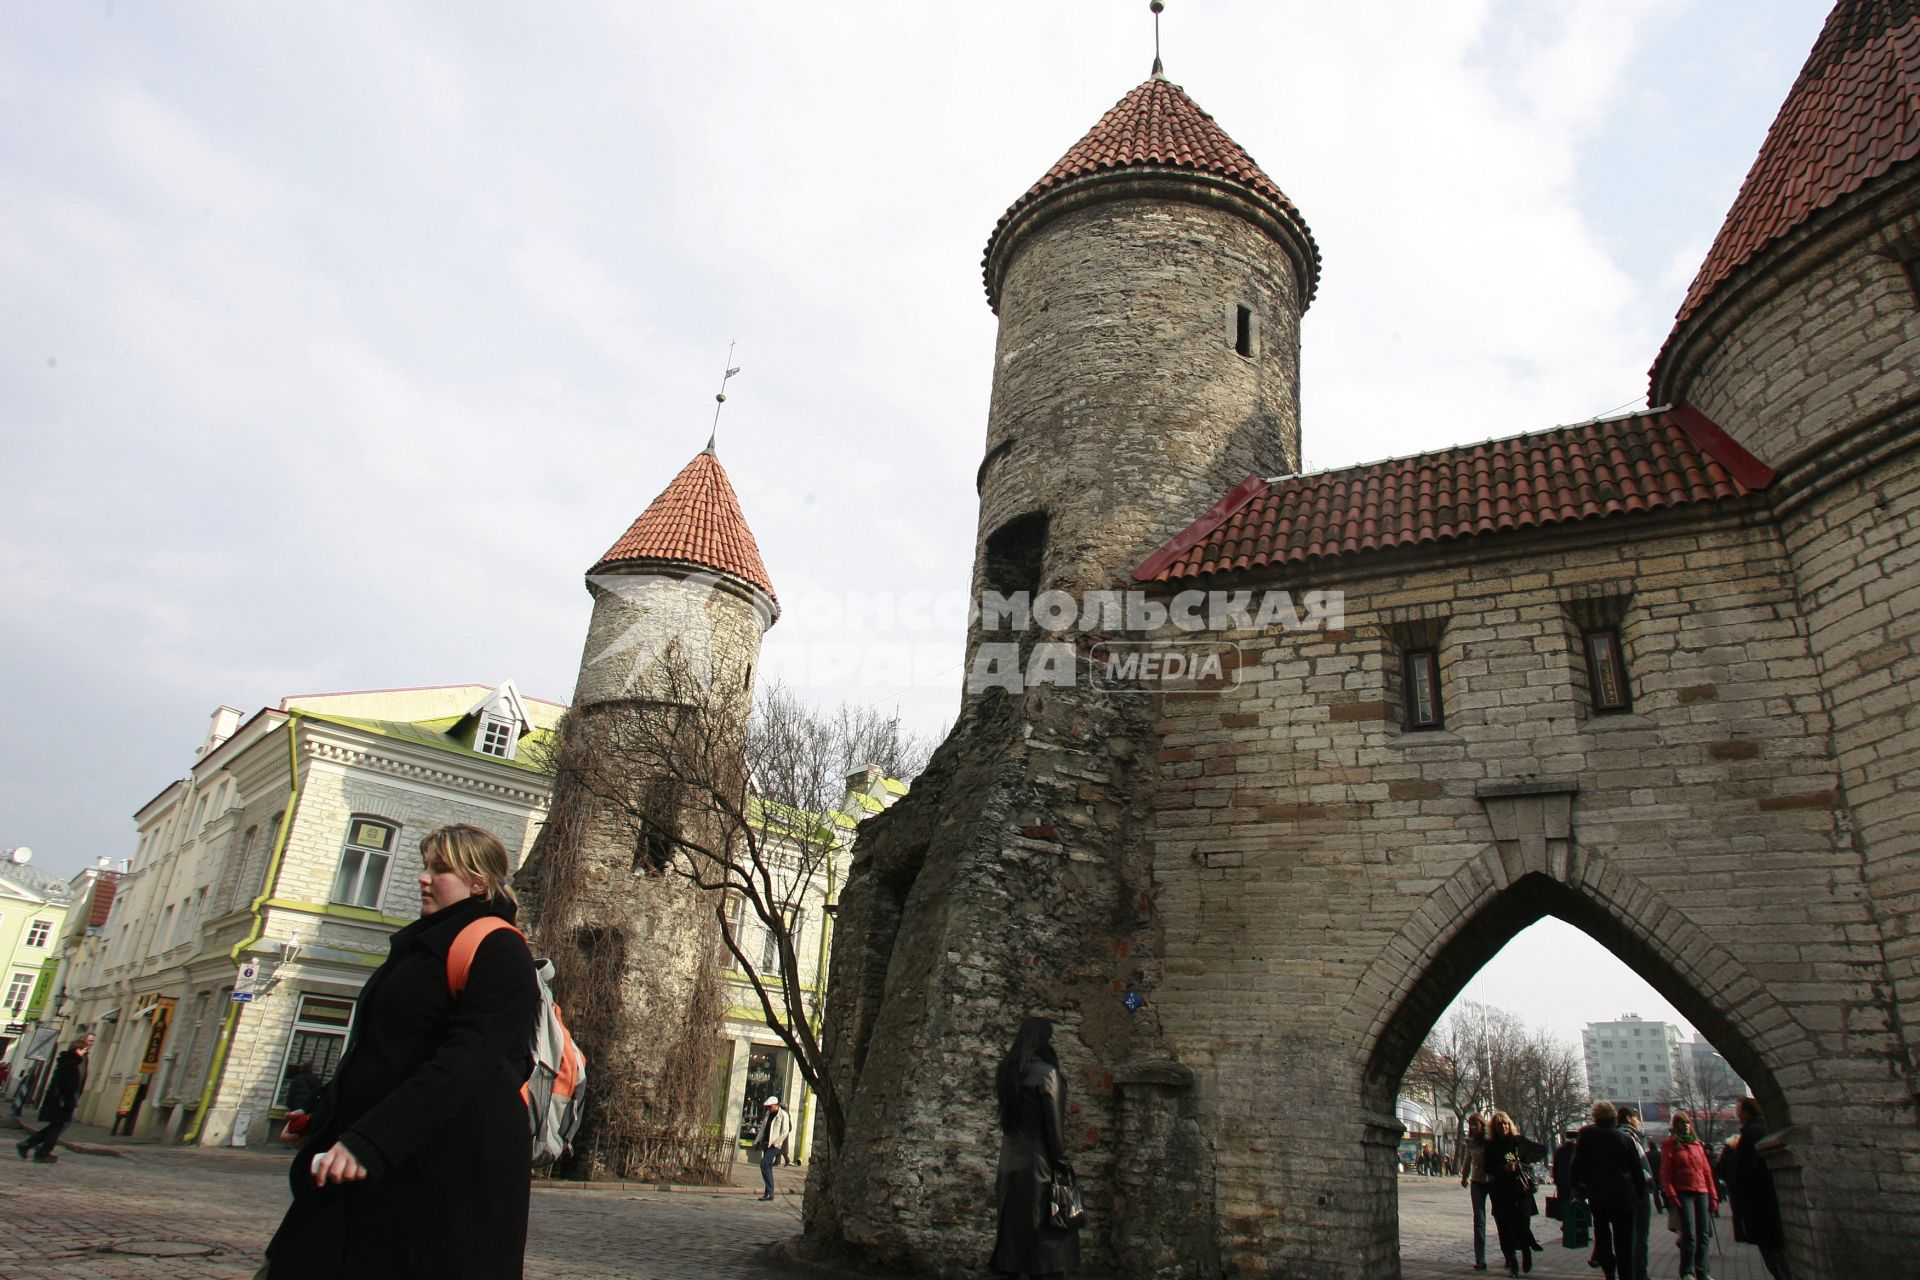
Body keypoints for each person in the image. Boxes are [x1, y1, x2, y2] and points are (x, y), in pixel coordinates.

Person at [261, 824, 539, 1280]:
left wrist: (371, 1140)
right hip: (379, 1157)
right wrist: (323, 1117)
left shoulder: (497, 947)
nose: (423, 878)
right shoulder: (421, 945)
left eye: (441, 869)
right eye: (425, 866)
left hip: (446, 1172)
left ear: (479, 883)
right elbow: (385, 1054)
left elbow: (466, 1061)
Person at [989, 1015, 1078, 1279]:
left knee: (1014, 1248)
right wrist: (1062, 1166)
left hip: (1009, 1165)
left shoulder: (1007, 1071)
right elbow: (1054, 1130)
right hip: (1039, 1167)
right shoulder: (1048, 1074)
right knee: (1048, 1253)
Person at [1570, 1100, 1648, 1280]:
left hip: (1599, 1195)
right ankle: (1625, 1274)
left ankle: (1609, 1270)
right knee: (1624, 1241)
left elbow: (1577, 1163)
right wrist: (1640, 1195)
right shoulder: (1625, 1138)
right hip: (1624, 1196)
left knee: (1603, 1237)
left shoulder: (1587, 1134)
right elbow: (1636, 1170)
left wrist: (1576, 1186)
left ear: (1595, 1116)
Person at [1729, 1097, 1788, 1280]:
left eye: (1739, 1110)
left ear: (1747, 1112)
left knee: (1771, 1252)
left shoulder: (1750, 1134)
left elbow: (1744, 1171)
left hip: (1759, 1203)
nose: (1737, 1114)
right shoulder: (1765, 1128)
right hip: (1772, 1200)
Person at [15, 1031, 93, 1163]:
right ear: (77, 1050)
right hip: (61, 1101)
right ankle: (41, 1153)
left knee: (55, 1127)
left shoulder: (70, 1061)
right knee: (56, 1128)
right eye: (84, 1049)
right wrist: (70, 1101)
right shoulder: (71, 1064)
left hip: (60, 1100)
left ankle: (29, 1145)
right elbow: (68, 1085)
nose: (86, 1051)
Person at [1660, 1109, 1719, 1280]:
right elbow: (1666, 1173)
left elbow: (1707, 1171)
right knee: (1690, 1234)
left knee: (1703, 1234)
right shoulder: (1671, 1144)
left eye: (1687, 1123)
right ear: (1676, 1126)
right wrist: (1671, 1194)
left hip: (1701, 1191)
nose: (1685, 1126)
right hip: (1683, 1192)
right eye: (1681, 1123)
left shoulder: (1697, 1145)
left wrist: (1713, 1195)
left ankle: (1703, 1270)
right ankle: (1687, 1271)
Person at [1484, 1111, 1545, 1278]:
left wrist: (1524, 1161)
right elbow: (1488, 1168)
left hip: (1521, 1189)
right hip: (1502, 1191)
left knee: (1523, 1225)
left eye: (1505, 1123)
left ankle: (1526, 1250)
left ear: (1509, 1125)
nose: (1503, 1126)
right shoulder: (1491, 1145)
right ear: (1494, 1128)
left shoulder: (1519, 1141)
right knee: (1505, 1228)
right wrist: (1504, 1168)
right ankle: (1512, 1261)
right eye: (1499, 1124)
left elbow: (1541, 1150)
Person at [1618, 1106, 1655, 1280]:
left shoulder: (1615, 1135)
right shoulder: (1630, 1137)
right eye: (1637, 1118)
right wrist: (1648, 1183)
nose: (1639, 1122)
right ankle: (1640, 1273)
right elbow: (1640, 1165)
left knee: (1627, 1234)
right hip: (1637, 1189)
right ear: (1628, 1118)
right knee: (1640, 1234)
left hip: (1622, 1191)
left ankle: (1629, 1271)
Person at [1460, 1113, 1493, 1271]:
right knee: (1479, 1221)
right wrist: (1464, 1176)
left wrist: (1511, 1166)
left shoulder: (1492, 1139)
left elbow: (1507, 1153)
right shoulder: (1471, 1142)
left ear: (1482, 1124)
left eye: (1476, 1124)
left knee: (1502, 1218)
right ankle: (1480, 1259)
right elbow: (1467, 1160)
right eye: (1471, 1125)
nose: (1473, 1127)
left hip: (1494, 1181)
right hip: (1477, 1182)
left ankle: (1510, 1255)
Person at [752, 1095, 792, 1200]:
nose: (769, 1109)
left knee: (764, 1164)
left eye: (770, 1107)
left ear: (775, 1105)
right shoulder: (768, 1114)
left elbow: (785, 1131)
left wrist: (776, 1142)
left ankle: (769, 1191)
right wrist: (757, 1142)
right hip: (766, 1143)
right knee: (767, 1166)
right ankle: (769, 1193)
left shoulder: (783, 1115)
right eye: (767, 1107)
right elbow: (762, 1129)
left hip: (774, 1145)